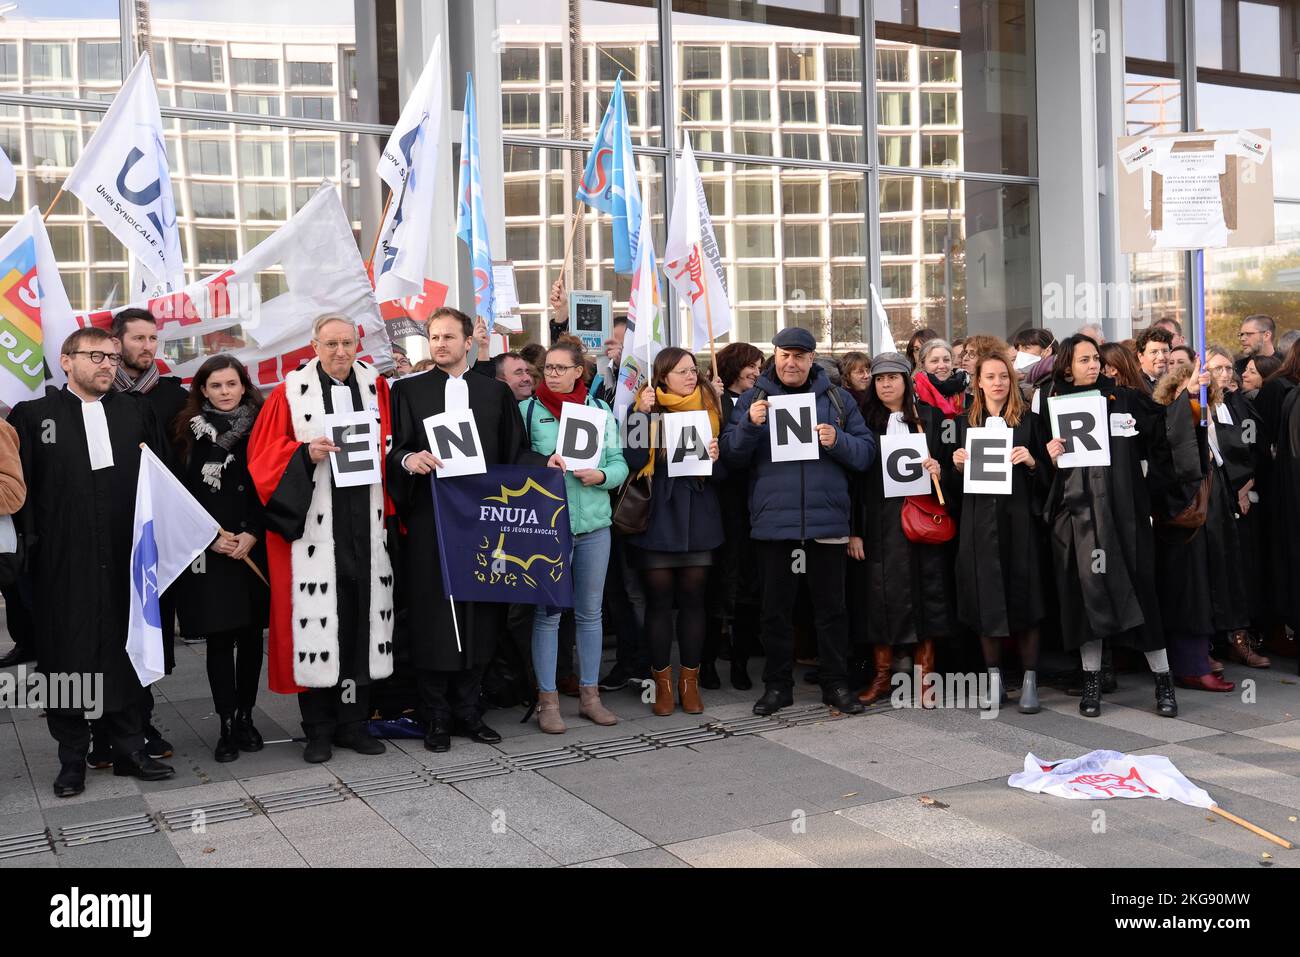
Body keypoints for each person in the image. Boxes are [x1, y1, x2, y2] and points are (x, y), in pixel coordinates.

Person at [10, 328, 173, 797]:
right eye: (96, 356)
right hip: (62, 565)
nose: (108, 365)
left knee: (124, 652)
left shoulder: (134, 412)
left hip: (126, 559)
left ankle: (129, 749)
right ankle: (72, 760)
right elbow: (20, 493)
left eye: (114, 358)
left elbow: (160, 482)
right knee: (66, 657)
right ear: (66, 360)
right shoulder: (35, 416)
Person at [387, 307, 546, 752]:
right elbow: (393, 449)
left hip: (483, 522)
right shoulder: (409, 391)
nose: (439, 344)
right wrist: (407, 459)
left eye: (447, 337)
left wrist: (545, 465)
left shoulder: (493, 394)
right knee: (433, 616)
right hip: (430, 520)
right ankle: (435, 715)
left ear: (466, 342)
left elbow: (516, 454)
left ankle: (468, 710)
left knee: (481, 615)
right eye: (433, 337)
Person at [247, 313, 395, 764]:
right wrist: (305, 453)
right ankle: (318, 729)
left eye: (347, 343)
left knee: (358, 621)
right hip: (316, 526)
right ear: (314, 345)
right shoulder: (290, 393)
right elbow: (262, 457)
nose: (340, 352)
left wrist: (387, 448)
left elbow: (394, 438)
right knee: (319, 619)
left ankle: (354, 723)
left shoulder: (377, 387)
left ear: (357, 344)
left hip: (364, 525)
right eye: (330, 344)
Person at [720, 327, 876, 717]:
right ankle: (777, 686)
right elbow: (731, 458)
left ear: (811, 359)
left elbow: (866, 455)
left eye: (799, 356)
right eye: (784, 355)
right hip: (775, 525)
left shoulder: (838, 400)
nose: (791, 362)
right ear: (774, 356)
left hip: (826, 525)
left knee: (831, 610)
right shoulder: (753, 400)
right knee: (774, 611)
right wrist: (748, 426)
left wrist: (836, 440)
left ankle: (836, 684)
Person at [1040, 335, 1187, 718]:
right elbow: (1041, 474)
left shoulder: (1125, 400)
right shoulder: (1052, 407)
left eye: (1095, 359)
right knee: (1087, 602)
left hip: (1126, 517)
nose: (1093, 365)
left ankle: (1163, 683)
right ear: (1067, 366)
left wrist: (1152, 500)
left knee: (1143, 596)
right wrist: (1049, 457)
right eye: (1083, 360)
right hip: (1078, 518)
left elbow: (1161, 445)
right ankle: (1092, 683)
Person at [521, 340, 628, 733]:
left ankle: (590, 696)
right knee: (548, 615)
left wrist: (601, 476)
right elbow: (516, 462)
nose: (551, 373)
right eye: (548, 367)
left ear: (578, 372)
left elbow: (618, 464)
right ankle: (547, 701)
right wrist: (541, 466)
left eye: (560, 368)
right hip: (548, 528)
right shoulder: (528, 411)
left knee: (590, 614)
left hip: (595, 527)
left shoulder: (599, 411)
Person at [172, 355, 270, 762]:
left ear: (244, 386)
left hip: (253, 543)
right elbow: (178, 492)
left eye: (232, 384)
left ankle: (247, 716)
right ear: (203, 390)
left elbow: (276, 484)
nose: (225, 392)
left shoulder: (264, 426)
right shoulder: (186, 432)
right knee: (219, 638)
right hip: (208, 548)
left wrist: (252, 532)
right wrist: (209, 537)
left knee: (250, 638)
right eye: (216, 386)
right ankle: (226, 724)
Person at [849, 351, 954, 706]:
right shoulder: (863, 420)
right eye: (879, 378)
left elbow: (951, 465)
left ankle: (926, 679)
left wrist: (940, 469)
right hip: (878, 520)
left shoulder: (929, 418)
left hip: (920, 518)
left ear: (907, 381)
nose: (886, 384)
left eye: (893, 377)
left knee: (926, 592)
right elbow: (853, 480)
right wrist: (854, 530)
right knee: (879, 598)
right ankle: (882, 676)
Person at [622, 349, 724, 716]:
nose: (691, 376)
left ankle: (690, 683)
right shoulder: (643, 407)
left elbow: (729, 471)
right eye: (682, 371)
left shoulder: (711, 405)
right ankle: (663, 684)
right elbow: (632, 463)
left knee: (695, 600)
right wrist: (640, 416)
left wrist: (716, 456)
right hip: (657, 517)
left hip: (698, 515)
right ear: (662, 375)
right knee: (659, 603)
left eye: (693, 370)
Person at [949, 350, 1052, 711]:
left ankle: (1029, 679)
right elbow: (948, 487)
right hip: (978, 524)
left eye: (1003, 376)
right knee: (986, 599)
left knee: (1025, 598)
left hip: (1020, 521)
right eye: (990, 377)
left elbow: (1051, 477)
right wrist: (956, 463)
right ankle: (993, 678)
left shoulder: (1029, 421)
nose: (997, 383)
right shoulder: (964, 423)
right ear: (977, 382)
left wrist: (1033, 461)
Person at [110, 307, 188, 759]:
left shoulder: (172, 398)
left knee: (149, 626)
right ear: (116, 343)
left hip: (157, 534)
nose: (147, 346)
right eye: (137, 338)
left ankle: (143, 720)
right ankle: (109, 729)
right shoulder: (96, 396)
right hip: (109, 531)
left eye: (152, 339)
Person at [1151, 360, 1250, 694]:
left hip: (1207, 522)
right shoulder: (1164, 425)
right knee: (1187, 592)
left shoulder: (1202, 426)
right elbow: (1178, 464)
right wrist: (1190, 396)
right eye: (1184, 396)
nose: (1192, 403)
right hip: (1182, 524)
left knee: (1205, 587)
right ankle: (1190, 666)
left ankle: (1198, 659)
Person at [1205, 345, 1271, 668]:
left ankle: (1241, 638)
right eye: (1217, 368)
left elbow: (1253, 445)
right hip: (1215, 500)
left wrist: (1247, 484)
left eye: (1228, 368)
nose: (1226, 374)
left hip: (1242, 497)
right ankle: (1215, 642)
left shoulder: (1236, 403)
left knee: (1242, 569)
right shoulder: (1200, 405)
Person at [710, 341, 766, 691]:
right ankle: (711, 656)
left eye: (761, 367)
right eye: (751, 366)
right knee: (720, 581)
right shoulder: (712, 401)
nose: (757, 373)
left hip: (754, 501)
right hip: (721, 503)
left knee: (748, 583)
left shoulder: (761, 401)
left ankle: (741, 659)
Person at [913, 338, 966, 418]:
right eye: (934, 361)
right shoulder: (912, 395)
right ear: (923, 365)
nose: (942, 366)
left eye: (946, 360)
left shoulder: (965, 390)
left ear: (952, 363)